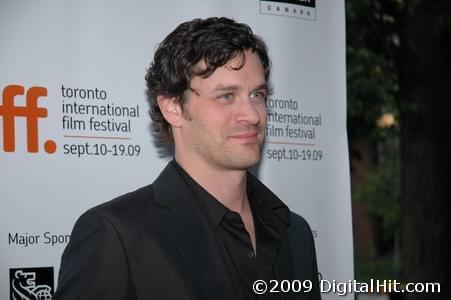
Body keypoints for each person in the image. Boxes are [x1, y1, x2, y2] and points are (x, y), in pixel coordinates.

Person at [54, 17, 321, 300]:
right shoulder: (117, 236)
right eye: (227, 96)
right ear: (173, 108)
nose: (253, 115)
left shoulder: (295, 232)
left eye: (257, 94)